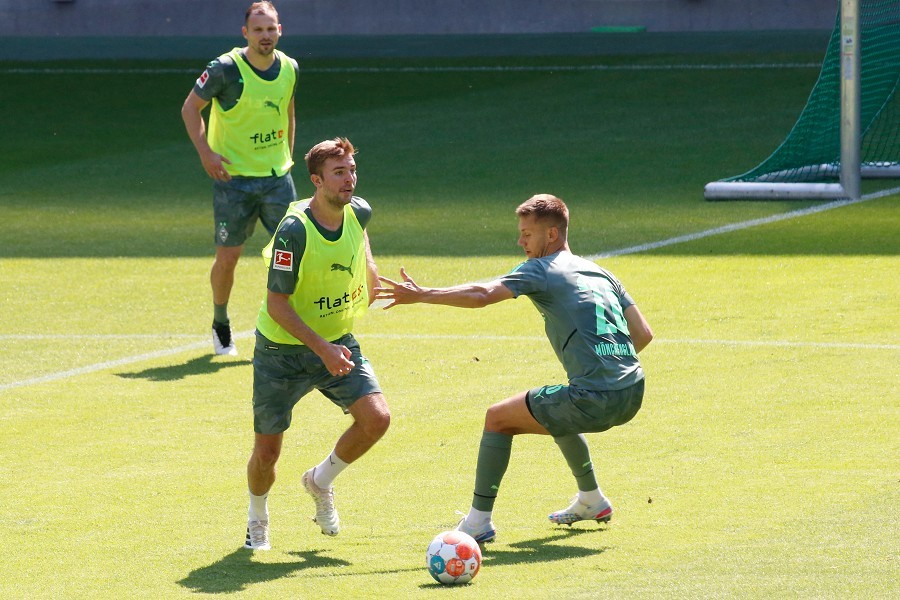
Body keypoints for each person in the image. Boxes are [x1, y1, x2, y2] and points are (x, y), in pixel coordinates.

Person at [375, 194, 652, 543]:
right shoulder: (601, 271)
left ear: (551, 235)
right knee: (549, 407)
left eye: (526, 233)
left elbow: (482, 294)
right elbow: (643, 334)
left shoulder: (540, 268)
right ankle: (592, 501)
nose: (520, 241)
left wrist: (423, 294)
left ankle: (477, 523)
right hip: (633, 391)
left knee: (498, 418)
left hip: (594, 397)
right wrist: (607, 365)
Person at [242, 137, 390, 551]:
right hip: (281, 354)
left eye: (352, 170)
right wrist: (322, 349)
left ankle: (319, 481)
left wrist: (371, 274)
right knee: (268, 452)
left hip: (339, 341)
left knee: (376, 418)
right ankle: (257, 517)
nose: (349, 179)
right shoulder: (294, 232)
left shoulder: (359, 211)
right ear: (316, 180)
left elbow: (361, 246)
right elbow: (276, 305)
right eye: (339, 172)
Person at [181, 1, 300, 356]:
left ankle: (291, 328)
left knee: (293, 256)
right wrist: (206, 152)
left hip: (278, 179)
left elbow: (289, 113)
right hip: (234, 182)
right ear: (245, 32)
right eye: (258, 29)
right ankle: (221, 323)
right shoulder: (225, 69)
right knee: (229, 256)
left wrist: (288, 158)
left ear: (281, 30)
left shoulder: (290, 68)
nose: (266, 36)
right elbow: (190, 108)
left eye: (271, 28)